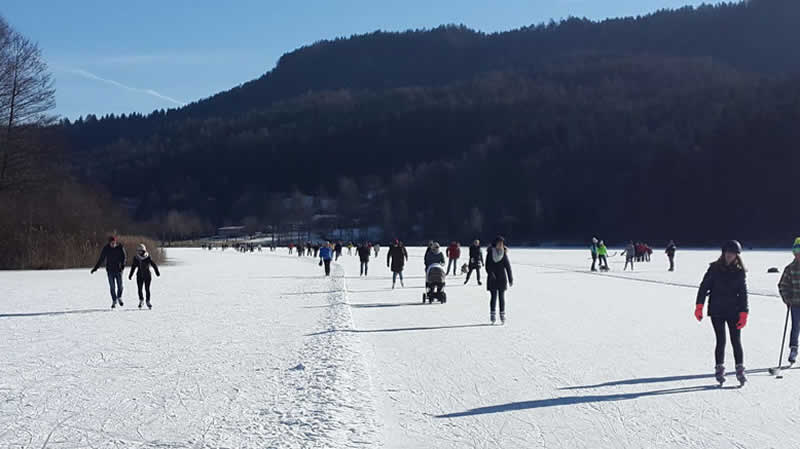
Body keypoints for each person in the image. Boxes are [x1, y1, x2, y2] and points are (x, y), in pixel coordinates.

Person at [695, 240, 749, 386]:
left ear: (737, 256)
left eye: (733, 254)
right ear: (724, 253)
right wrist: (699, 305)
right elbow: (704, 287)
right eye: (728, 253)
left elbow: (743, 294)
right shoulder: (714, 268)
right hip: (717, 310)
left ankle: (739, 369)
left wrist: (744, 313)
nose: (730, 256)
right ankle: (719, 368)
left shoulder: (739, 272)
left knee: (736, 341)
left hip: (734, 311)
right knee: (721, 340)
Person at [779, 238, 800, 364]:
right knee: (796, 327)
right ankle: (794, 349)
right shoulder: (790, 268)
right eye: (796, 251)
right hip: (795, 303)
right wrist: (787, 298)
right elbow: (782, 285)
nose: (798, 254)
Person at [91, 236, 127, 308]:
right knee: (112, 287)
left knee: (120, 286)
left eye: (114, 243)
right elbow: (101, 259)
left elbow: (124, 257)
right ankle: (114, 300)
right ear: (109, 243)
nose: (113, 244)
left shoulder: (120, 247)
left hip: (118, 270)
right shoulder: (106, 249)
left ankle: (119, 297)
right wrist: (95, 268)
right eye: (111, 243)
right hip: (110, 271)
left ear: (116, 242)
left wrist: (122, 265)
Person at [486, 236, 513, 325]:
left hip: (502, 278)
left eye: (502, 243)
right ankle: (493, 314)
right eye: (499, 243)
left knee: (501, 297)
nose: (501, 245)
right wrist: (491, 273)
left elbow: (508, 266)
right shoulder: (490, 253)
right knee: (493, 297)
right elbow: (487, 266)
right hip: (492, 278)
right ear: (495, 243)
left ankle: (502, 315)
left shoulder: (504, 253)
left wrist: (510, 278)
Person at [128, 243, 161, 309]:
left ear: (144, 251)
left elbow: (153, 265)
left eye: (141, 250)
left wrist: (157, 272)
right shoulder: (136, 258)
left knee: (147, 289)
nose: (139, 252)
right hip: (139, 275)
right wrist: (130, 275)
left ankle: (148, 301)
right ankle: (141, 300)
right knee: (140, 289)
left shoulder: (148, 257)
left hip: (147, 275)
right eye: (138, 250)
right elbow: (133, 267)